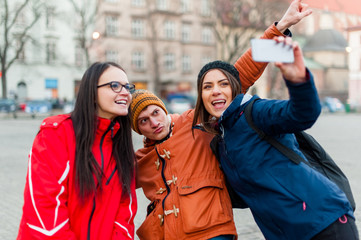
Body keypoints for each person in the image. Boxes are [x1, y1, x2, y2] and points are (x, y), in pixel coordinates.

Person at [130, 1, 313, 239]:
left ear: (164, 110)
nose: (153, 122)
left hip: (211, 232)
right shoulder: (138, 161)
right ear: (138, 130)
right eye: (143, 121)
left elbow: (239, 74)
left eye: (155, 112)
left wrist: (280, 28)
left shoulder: (194, 122)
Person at [193, 36, 359, 240]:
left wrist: (298, 82)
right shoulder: (221, 144)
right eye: (207, 87)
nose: (216, 91)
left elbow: (302, 114)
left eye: (223, 84)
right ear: (201, 97)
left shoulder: (256, 112)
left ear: (235, 88)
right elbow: (243, 195)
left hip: (323, 222)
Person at [17, 62, 137, 239]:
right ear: (92, 93)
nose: (125, 92)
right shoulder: (56, 133)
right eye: (115, 86)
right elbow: (44, 207)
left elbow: (125, 210)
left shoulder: (121, 145)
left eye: (127, 87)